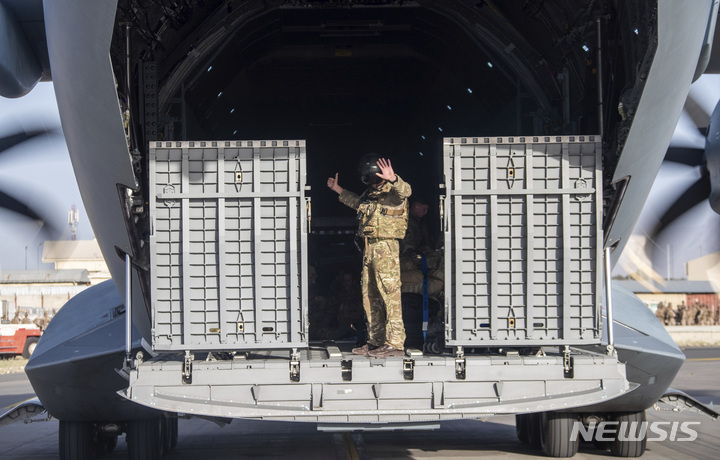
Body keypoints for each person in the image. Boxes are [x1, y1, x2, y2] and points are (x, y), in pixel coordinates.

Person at [327, 154, 411, 358]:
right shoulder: (370, 195)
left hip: (386, 247)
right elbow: (358, 203)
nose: (374, 183)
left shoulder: (393, 192)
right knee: (369, 295)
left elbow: (406, 191)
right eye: (370, 178)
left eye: (376, 178)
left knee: (390, 296)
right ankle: (375, 341)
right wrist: (338, 190)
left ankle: (395, 343)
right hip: (369, 248)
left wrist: (394, 179)